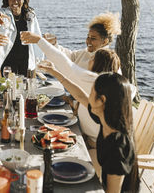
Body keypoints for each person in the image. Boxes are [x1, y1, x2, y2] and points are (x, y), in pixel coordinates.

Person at [36, 65, 140, 193]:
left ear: (102, 100)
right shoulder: (105, 119)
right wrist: (55, 72)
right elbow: (79, 95)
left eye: (91, 92)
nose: (88, 95)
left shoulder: (117, 147)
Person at [20, 31, 127, 144]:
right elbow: (81, 96)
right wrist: (54, 72)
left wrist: (39, 41)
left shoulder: (94, 81)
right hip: (92, 138)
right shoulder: (106, 87)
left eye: (92, 59)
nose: (89, 60)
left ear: (98, 65)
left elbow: (66, 65)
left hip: (99, 146)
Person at [0, 0, 43, 76]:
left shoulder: (30, 15)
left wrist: (39, 60)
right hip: (8, 60)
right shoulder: (3, 12)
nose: (15, 2)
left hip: (26, 59)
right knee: (6, 87)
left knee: (26, 88)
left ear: (23, 0)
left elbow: (37, 35)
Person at [43, 12, 121, 70]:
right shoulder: (85, 53)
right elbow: (71, 56)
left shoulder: (107, 61)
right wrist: (54, 44)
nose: (88, 41)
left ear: (105, 41)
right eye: (88, 37)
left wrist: (55, 72)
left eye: (93, 38)